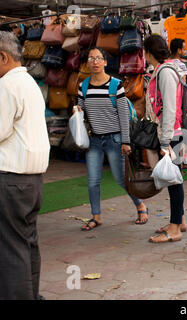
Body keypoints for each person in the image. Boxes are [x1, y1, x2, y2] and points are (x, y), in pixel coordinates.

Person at [0, 31, 50, 299]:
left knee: (11, 247)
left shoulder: (7, 85)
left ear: (2, 57)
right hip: (31, 179)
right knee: (27, 242)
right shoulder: (29, 82)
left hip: (11, 177)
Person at [76, 47, 148, 230]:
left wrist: (125, 141)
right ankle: (96, 216)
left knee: (120, 179)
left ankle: (140, 204)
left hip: (115, 140)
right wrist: (77, 110)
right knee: (93, 180)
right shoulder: (83, 86)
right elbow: (81, 108)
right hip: (94, 141)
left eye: (99, 58)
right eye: (91, 58)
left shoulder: (116, 85)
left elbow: (124, 116)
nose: (95, 62)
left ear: (105, 62)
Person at [144, 35, 186, 243]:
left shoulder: (166, 72)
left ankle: (175, 228)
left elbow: (169, 108)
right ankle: (180, 221)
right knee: (174, 179)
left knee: (173, 180)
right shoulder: (163, 70)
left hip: (170, 134)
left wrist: (165, 142)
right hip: (170, 133)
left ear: (148, 52)